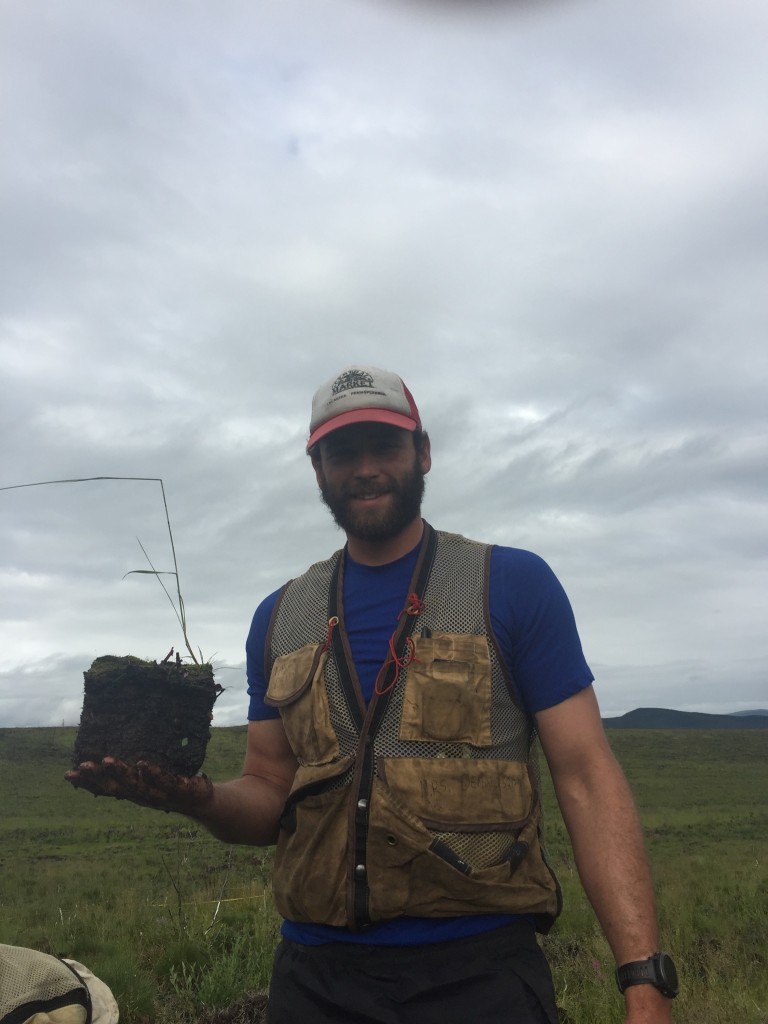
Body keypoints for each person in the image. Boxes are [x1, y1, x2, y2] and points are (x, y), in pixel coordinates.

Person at [68, 365, 677, 1024]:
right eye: (342, 452)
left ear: (423, 453)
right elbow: (269, 788)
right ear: (317, 468)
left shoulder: (512, 585)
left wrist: (642, 979)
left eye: (384, 446)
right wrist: (202, 800)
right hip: (315, 982)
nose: (364, 468)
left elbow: (586, 776)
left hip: (480, 978)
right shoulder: (278, 617)